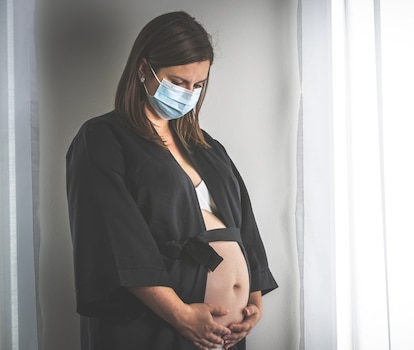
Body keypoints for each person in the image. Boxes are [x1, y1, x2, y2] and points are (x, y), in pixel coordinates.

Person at [66, 11, 278, 350]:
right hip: (155, 328)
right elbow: (116, 243)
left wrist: (254, 302)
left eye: (197, 85)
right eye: (178, 82)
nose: (188, 93)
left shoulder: (207, 147)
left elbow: (246, 230)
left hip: (223, 336)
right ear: (143, 69)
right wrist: (181, 315)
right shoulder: (103, 139)